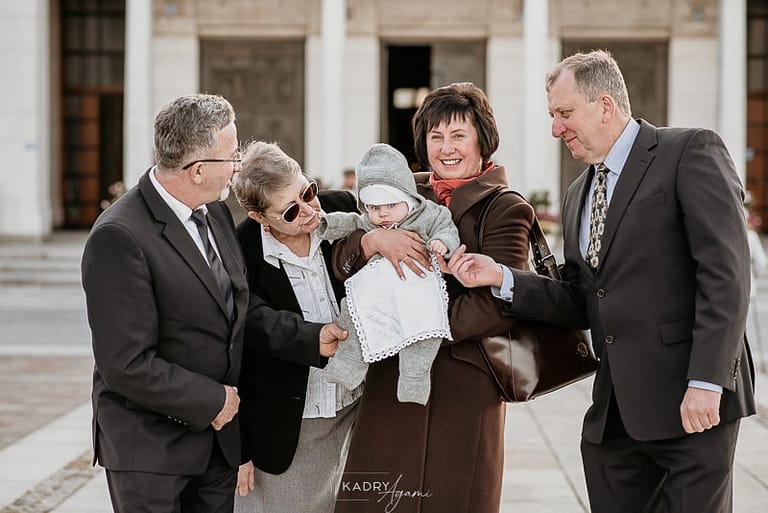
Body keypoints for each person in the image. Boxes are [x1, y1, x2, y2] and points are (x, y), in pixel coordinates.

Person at [446, 50, 756, 513]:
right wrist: (503, 278)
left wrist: (707, 382)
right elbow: (579, 299)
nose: (556, 128)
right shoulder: (576, 195)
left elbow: (725, 273)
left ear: (605, 105)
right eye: (552, 115)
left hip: (690, 403)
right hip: (614, 419)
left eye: (564, 113)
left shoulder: (689, 151)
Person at [331, 82, 535, 513]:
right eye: (435, 136)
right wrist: (372, 245)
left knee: (453, 498)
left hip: (465, 385)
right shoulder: (398, 193)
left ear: (483, 138)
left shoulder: (505, 207)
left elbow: (500, 303)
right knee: (376, 500)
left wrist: (417, 324)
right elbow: (342, 261)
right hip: (391, 380)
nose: (446, 148)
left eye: (458, 135)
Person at [81, 94, 248, 513]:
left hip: (217, 448)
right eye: (233, 156)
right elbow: (126, 364)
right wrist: (213, 401)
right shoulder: (118, 236)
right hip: (150, 454)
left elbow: (234, 311)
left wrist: (309, 338)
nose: (238, 164)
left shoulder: (217, 212)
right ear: (197, 171)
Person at [231, 140, 362, 513]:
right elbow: (239, 345)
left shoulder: (342, 209)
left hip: (356, 408)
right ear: (260, 218)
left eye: (307, 192)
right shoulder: (240, 253)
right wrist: (238, 449)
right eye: (290, 210)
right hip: (289, 421)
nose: (308, 211)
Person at [317, 142, 460, 405]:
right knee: (352, 314)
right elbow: (350, 222)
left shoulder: (428, 213)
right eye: (373, 207)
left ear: (407, 196)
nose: (381, 214)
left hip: (417, 290)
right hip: (377, 291)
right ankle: (348, 366)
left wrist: (442, 243)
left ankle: (414, 381)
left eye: (389, 205)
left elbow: (445, 226)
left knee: (424, 334)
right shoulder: (369, 221)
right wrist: (326, 224)